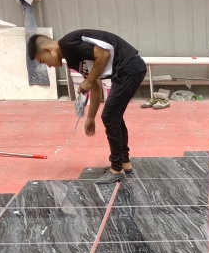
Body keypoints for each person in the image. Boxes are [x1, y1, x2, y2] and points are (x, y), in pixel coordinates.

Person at [28, 29, 147, 184]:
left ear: (47, 50)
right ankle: (124, 163)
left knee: (110, 116)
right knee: (114, 116)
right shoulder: (72, 59)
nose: (48, 66)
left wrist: (89, 80)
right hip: (125, 71)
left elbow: (103, 55)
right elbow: (96, 86)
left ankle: (117, 169)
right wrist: (90, 117)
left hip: (129, 68)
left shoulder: (68, 43)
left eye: (43, 61)